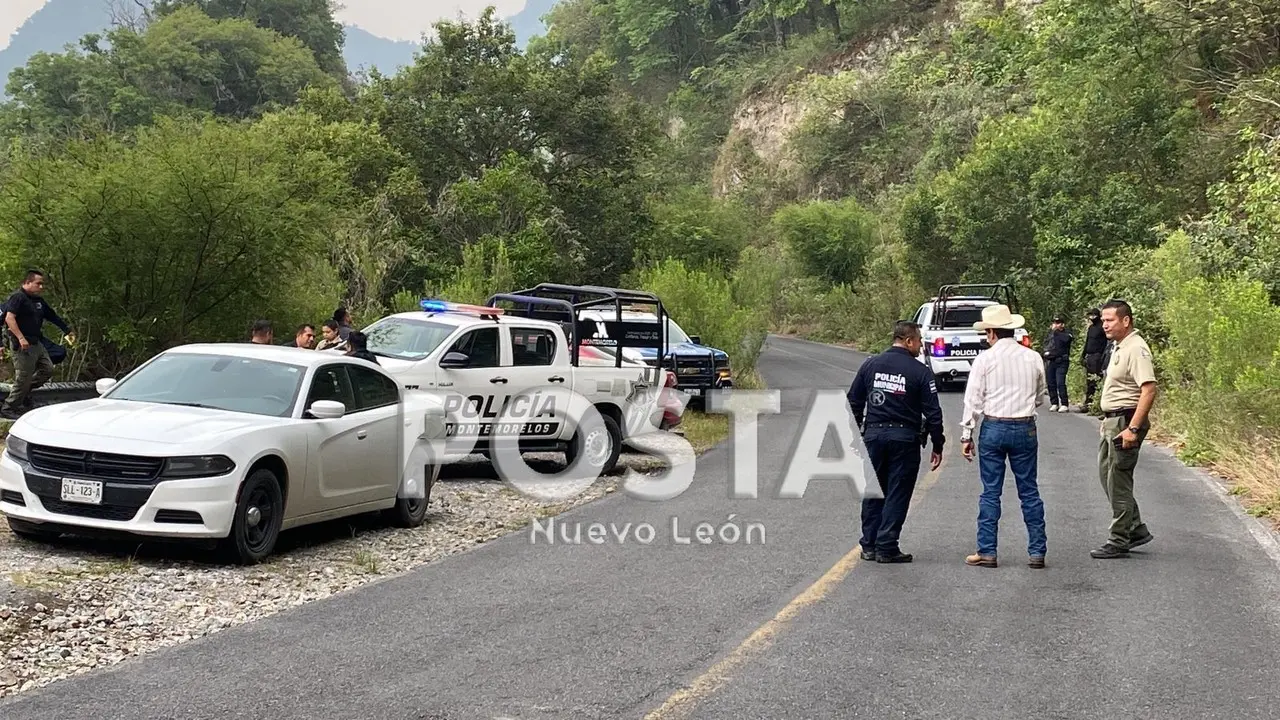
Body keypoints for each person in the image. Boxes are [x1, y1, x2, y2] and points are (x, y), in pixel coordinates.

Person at [959, 304, 1050, 569]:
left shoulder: (984, 359)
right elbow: (1040, 395)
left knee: (990, 492)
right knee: (1029, 490)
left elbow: (973, 400)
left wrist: (967, 434)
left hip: (994, 427)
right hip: (1024, 426)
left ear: (990, 332)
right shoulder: (1032, 357)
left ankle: (987, 551)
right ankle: (1037, 551)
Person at [848, 320, 945, 564]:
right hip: (904, 439)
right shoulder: (920, 372)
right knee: (897, 492)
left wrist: (856, 435)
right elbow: (933, 412)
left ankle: (869, 544)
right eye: (920, 340)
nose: (921, 345)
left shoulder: (870, 365)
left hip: (874, 436)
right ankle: (887, 545)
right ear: (908, 341)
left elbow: (853, 403)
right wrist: (938, 443)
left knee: (874, 491)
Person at [1092, 299, 1157, 559]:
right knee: (1107, 476)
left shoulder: (1137, 349)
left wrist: (1132, 428)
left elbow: (1149, 389)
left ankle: (1119, 539)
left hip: (1125, 422)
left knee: (1118, 481)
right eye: (1103, 320)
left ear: (1126, 320)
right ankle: (1135, 528)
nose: (1104, 325)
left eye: (1110, 320)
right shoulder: (1120, 346)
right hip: (1113, 421)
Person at [2, 270, 75, 419]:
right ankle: (8, 407)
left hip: (37, 342)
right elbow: (10, 319)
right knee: (23, 377)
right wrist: (21, 338)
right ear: (27, 283)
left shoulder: (38, 301)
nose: (41, 287)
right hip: (22, 344)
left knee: (47, 369)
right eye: (38, 283)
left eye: (42, 284)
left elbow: (52, 316)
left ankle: (23, 394)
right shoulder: (18, 298)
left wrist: (67, 330)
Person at [1042, 315, 1072, 412]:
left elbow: (1066, 340)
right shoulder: (1050, 334)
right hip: (1051, 361)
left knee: (1060, 383)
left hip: (1062, 361)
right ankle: (1054, 403)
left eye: (1058, 323)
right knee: (1051, 382)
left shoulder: (1066, 333)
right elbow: (1046, 345)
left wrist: (1056, 332)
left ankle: (1064, 404)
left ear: (1063, 324)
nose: (1056, 325)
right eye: (1055, 323)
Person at [1080, 307, 1107, 411]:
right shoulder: (1091, 328)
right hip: (1090, 356)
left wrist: (1103, 356)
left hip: (1098, 356)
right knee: (1089, 381)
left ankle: (1096, 404)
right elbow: (1087, 342)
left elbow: (1106, 342)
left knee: (1096, 381)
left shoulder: (1102, 327)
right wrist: (1083, 355)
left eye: (1093, 315)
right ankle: (1088, 403)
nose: (1092, 317)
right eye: (1090, 315)